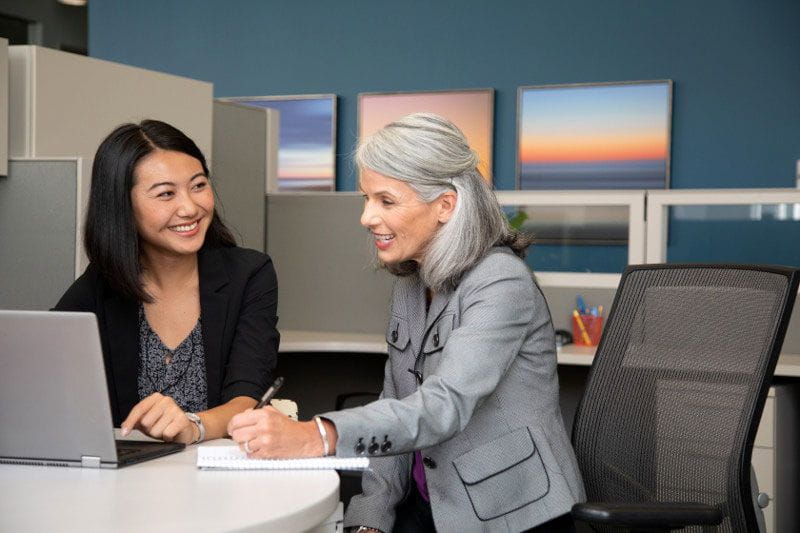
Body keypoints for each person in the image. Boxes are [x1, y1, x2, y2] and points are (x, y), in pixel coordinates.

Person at [227, 113, 585, 532]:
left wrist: (315, 435)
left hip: (509, 514)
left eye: (386, 200)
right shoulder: (413, 283)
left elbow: (440, 408)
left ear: (445, 205)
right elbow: (395, 402)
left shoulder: (501, 282)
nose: (366, 217)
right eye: (366, 198)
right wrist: (371, 518)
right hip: (429, 502)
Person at [54, 119, 279, 445]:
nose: (189, 207)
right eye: (166, 194)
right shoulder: (99, 288)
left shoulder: (249, 274)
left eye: (198, 185)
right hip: (128, 481)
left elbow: (247, 399)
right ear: (123, 207)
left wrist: (193, 425)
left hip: (219, 480)